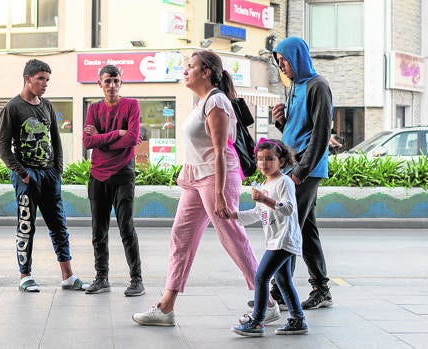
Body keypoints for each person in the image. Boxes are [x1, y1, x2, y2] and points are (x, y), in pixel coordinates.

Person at [132, 50, 280, 326]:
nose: (185, 71)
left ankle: (267, 302)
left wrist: (221, 193)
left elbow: (220, 150)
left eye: (190, 66)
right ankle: (166, 307)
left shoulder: (217, 101)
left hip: (216, 178)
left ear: (206, 72)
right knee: (181, 236)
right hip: (196, 179)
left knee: (232, 236)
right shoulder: (201, 101)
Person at [0, 59, 88, 292]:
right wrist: (23, 174)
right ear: (28, 79)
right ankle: (25, 276)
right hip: (27, 176)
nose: (45, 84)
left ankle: (67, 276)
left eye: (47, 79)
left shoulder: (46, 106)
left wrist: (57, 170)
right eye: (41, 79)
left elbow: (55, 140)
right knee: (26, 225)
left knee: (59, 225)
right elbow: (3, 147)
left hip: (49, 175)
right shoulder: (12, 108)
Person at [271, 36, 333, 309]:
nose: (281, 66)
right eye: (279, 61)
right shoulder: (296, 86)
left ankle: (280, 292)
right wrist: (281, 121)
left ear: (298, 58)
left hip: (306, 169)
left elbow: (320, 135)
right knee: (306, 229)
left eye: (284, 60)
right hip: (292, 166)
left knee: (288, 226)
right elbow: (298, 130)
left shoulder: (318, 86)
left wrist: (299, 172)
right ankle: (321, 289)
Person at [229, 138, 308, 336]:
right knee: (283, 280)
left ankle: (257, 321)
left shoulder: (284, 182)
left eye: (270, 159)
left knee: (261, 277)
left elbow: (288, 209)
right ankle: (298, 320)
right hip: (276, 239)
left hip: (284, 239)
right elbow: (258, 213)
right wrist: (235, 215)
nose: (264, 164)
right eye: (260, 159)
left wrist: (265, 199)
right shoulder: (265, 184)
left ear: (281, 161)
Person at [82, 64, 145, 297]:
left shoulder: (131, 105)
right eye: (107, 81)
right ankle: (101, 277)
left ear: (121, 83)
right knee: (98, 231)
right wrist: (113, 134)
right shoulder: (94, 109)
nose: (111, 85)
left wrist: (100, 138)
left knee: (126, 228)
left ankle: (136, 280)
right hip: (97, 176)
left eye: (115, 81)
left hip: (123, 175)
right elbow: (87, 143)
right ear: (100, 84)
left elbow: (131, 138)